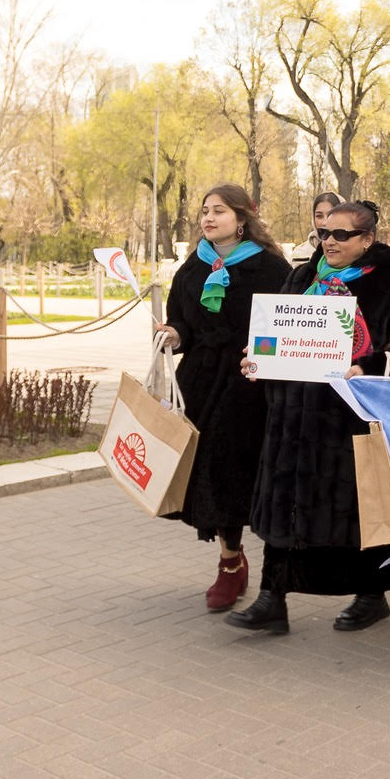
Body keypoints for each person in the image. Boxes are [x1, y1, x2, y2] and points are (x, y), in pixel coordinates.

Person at [228, 199, 390, 636]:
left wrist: (370, 365)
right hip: (291, 419)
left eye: (342, 235)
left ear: (367, 239)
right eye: (325, 233)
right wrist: (258, 357)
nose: (330, 241)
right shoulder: (303, 276)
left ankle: (372, 595)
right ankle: (271, 598)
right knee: (285, 509)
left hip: (348, 420)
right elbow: (275, 336)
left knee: (358, 511)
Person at [153, 185, 292, 611]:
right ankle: (231, 559)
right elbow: (182, 319)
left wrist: (264, 355)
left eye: (219, 211)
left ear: (242, 218)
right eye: (205, 211)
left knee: (233, 469)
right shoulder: (193, 266)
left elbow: (286, 323)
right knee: (208, 471)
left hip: (250, 383)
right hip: (200, 381)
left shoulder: (271, 267)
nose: (209, 219)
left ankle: (247, 568)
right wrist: (175, 334)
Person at [290, 190, 345, 266]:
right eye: (319, 216)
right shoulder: (300, 253)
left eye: (330, 215)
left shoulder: (351, 250)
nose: (324, 222)